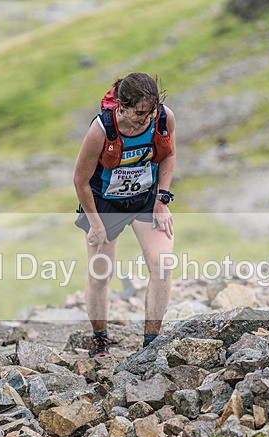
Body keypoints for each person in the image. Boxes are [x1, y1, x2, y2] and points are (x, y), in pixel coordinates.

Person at [73, 73, 177, 358]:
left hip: (146, 199)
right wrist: (95, 224)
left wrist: (162, 200)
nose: (146, 119)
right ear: (122, 105)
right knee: (100, 275)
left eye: (151, 111)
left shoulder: (164, 118)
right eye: (140, 113)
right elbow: (80, 181)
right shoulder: (101, 130)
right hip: (105, 204)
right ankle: (100, 339)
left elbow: (168, 155)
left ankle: (151, 343)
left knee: (163, 264)